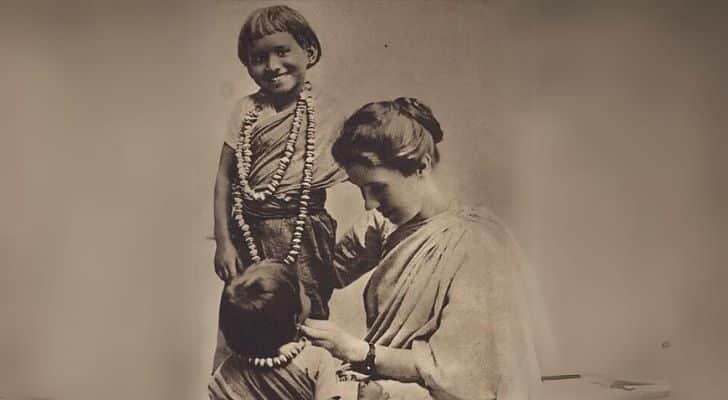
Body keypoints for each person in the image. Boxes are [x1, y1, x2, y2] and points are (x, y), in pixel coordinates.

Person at [300, 98, 543, 399]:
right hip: (377, 387)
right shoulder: (381, 225)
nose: (369, 203)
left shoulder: (477, 244)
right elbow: (323, 275)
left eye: (378, 187)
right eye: (360, 189)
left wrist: (357, 350)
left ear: (422, 166)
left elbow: (461, 374)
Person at [212, 5, 346, 366]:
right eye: (258, 58)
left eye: (282, 51)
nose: (271, 65)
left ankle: (313, 383)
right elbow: (225, 178)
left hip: (304, 233)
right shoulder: (244, 111)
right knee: (245, 320)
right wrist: (224, 242)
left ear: (310, 52)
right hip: (249, 231)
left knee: (308, 317)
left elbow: (363, 163)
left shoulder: (328, 112)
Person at [209, 260, 388, 400]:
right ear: (295, 318)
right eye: (303, 294)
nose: (307, 294)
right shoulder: (315, 359)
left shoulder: (223, 375)